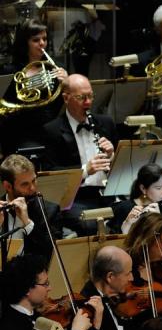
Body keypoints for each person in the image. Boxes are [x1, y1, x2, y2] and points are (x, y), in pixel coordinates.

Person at [41, 74, 118, 236]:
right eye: (82, 97)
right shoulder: (52, 130)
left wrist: (112, 155)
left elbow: (120, 170)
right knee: (91, 225)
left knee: (133, 214)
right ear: (66, 98)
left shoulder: (106, 123)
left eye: (90, 96)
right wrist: (85, 171)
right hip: (75, 199)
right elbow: (52, 172)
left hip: (106, 193)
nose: (88, 102)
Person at [0, 18, 67, 153]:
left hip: (49, 128)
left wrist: (66, 85)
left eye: (44, 39)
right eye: (36, 40)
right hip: (19, 131)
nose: (42, 43)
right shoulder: (11, 71)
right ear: (25, 43)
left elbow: (59, 107)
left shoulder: (55, 69)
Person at [109, 163, 162, 246]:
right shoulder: (123, 208)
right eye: (158, 188)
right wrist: (127, 224)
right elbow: (116, 245)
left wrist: (159, 220)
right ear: (143, 188)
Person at [0, 154, 63, 261]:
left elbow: (53, 253)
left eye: (34, 180)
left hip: (33, 274)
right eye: (25, 184)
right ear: (8, 186)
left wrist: (28, 223)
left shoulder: (49, 211)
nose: (33, 188)